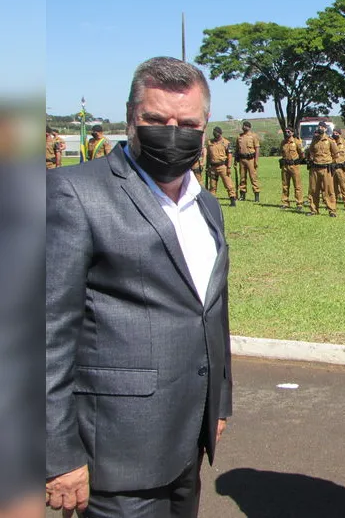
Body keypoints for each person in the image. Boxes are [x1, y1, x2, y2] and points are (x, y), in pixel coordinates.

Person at [45, 56, 232, 518]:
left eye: (187, 123)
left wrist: (219, 403)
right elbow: (44, 334)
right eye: (156, 120)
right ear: (131, 118)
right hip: (114, 454)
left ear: (204, 127)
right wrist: (56, 454)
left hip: (186, 443)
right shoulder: (73, 192)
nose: (172, 132)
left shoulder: (205, 203)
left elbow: (210, 310)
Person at [306, 123, 337, 217]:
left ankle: (332, 210)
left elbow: (336, 154)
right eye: (319, 127)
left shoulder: (330, 140)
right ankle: (314, 209)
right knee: (313, 189)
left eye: (322, 127)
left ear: (325, 129)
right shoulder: (314, 140)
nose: (320, 128)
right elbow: (310, 150)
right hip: (315, 168)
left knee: (329, 190)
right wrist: (310, 159)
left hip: (326, 168)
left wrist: (332, 163)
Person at [206, 126, 236, 206]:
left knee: (228, 184)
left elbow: (230, 155)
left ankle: (232, 200)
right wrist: (207, 166)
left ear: (220, 133)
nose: (215, 134)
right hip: (212, 167)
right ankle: (213, 202)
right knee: (212, 186)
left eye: (217, 132)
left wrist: (229, 167)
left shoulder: (226, 142)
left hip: (223, 166)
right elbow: (208, 155)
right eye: (214, 132)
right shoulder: (210, 143)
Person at [279, 127, 305, 210]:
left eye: (289, 131)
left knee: (297, 185)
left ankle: (299, 203)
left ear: (292, 133)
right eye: (285, 131)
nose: (287, 133)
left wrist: (297, 161)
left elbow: (302, 154)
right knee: (285, 185)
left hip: (294, 166)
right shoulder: (283, 143)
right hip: (285, 166)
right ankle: (285, 202)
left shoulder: (297, 142)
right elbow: (281, 152)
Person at [236, 120, 260, 202]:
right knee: (242, 178)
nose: (243, 127)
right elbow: (237, 149)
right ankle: (242, 195)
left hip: (251, 159)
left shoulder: (253, 136)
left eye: (245, 126)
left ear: (249, 127)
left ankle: (256, 195)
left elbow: (257, 148)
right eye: (243, 126)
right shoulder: (239, 137)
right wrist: (236, 159)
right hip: (242, 159)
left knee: (253, 177)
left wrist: (256, 161)